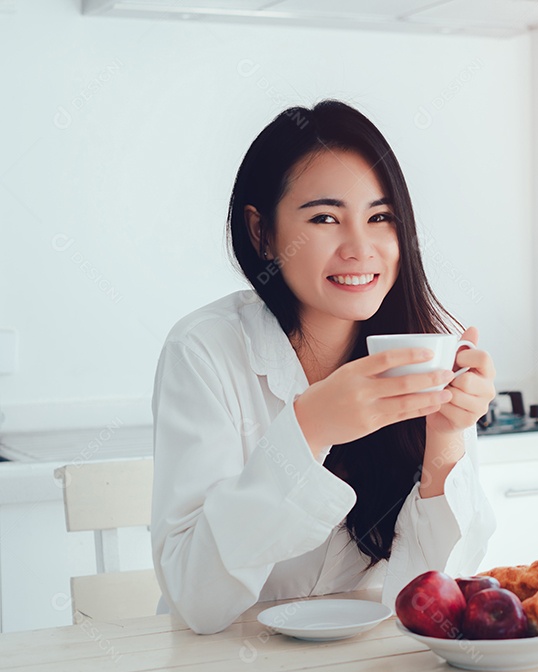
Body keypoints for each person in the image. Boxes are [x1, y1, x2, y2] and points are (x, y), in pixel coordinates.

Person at [150, 100, 497, 634]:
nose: (361, 248)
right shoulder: (204, 351)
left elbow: (434, 595)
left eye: (380, 218)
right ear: (262, 232)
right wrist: (310, 429)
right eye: (325, 218)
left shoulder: (426, 354)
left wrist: (447, 435)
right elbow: (198, 600)